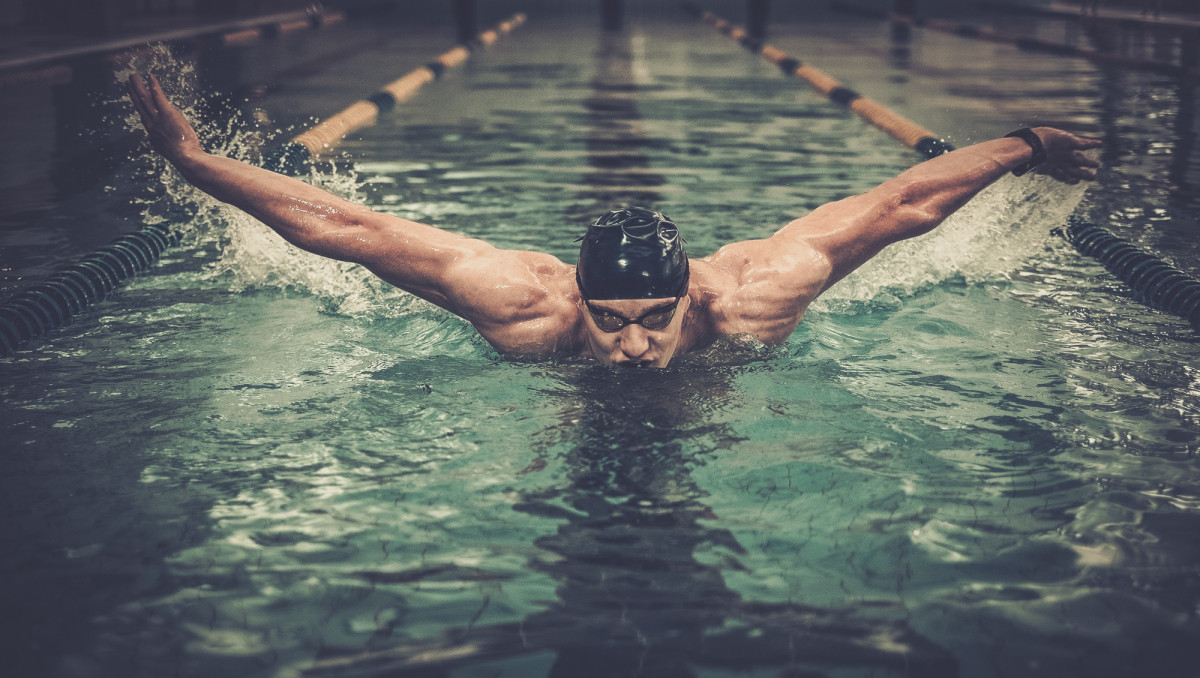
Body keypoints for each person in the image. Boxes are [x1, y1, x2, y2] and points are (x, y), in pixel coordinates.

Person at [128, 74, 1101, 368]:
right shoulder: (523, 304)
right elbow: (345, 229)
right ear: (578, 298)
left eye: (654, 318)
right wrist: (197, 164)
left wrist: (1024, 142)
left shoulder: (757, 293)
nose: (633, 345)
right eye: (610, 319)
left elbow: (902, 205)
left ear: (690, 295)